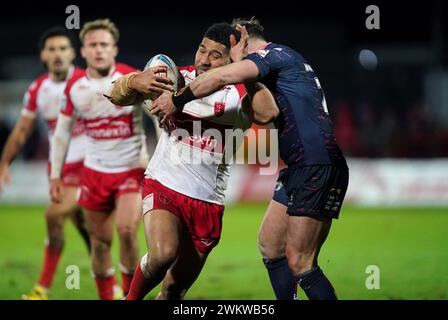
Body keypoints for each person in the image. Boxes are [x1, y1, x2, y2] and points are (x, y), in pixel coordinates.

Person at [150, 17, 349, 300]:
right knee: (270, 245)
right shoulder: (286, 57)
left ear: (239, 38)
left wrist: (176, 100)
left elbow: (223, 79)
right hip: (301, 166)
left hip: (315, 164)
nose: (210, 59)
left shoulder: (269, 55)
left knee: (301, 262)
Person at [105, 22, 278, 300]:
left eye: (215, 55)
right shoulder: (175, 79)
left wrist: (245, 70)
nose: (204, 60)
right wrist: (134, 81)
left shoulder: (240, 92)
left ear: (230, 58)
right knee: (162, 255)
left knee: (174, 290)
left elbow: (268, 113)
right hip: (164, 184)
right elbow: (114, 95)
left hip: (207, 201)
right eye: (201, 50)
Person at [49, 19, 168, 300]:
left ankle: (129, 294)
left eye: (104, 44)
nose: (99, 50)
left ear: (114, 49)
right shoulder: (74, 88)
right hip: (95, 173)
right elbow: (61, 134)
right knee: (100, 243)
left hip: (131, 170)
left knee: (127, 230)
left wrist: (165, 156)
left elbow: (159, 119)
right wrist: (55, 175)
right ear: (84, 51)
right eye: (93, 45)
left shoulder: (134, 78)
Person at [0, 27, 90, 300]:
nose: (58, 54)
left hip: (90, 166)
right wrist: (4, 162)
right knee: (88, 229)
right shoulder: (38, 89)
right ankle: (115, 282)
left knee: (54, 215)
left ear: (73, 53)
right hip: (60, 170)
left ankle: (42, 289)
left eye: (63, 48)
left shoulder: (88, 81)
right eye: (52, 49)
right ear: (43, 55)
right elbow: (22, 130)